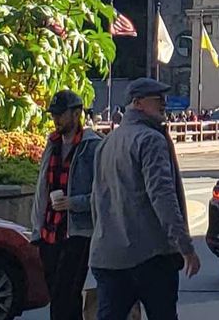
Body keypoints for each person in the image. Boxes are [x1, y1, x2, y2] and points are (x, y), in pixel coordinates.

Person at [89, 78, 200, 320]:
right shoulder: (150, 139)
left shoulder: (106, 143)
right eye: (157, 99)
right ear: (138, 103)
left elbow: (96, 200)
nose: (164, 103)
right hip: (150, 256)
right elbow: (162, 196)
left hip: (108, 255)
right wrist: (185, 247)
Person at [32, 89, 103, 320]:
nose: (56, 120)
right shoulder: (52, 145)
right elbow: (42, 189)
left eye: (61, 115)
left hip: (78, 232)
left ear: (76, 114)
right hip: (49, 232)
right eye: (54, 115)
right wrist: (37, 230)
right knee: (58, 295)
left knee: (66, 294)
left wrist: (73, 203)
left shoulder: (92, 147)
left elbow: (102, 194)